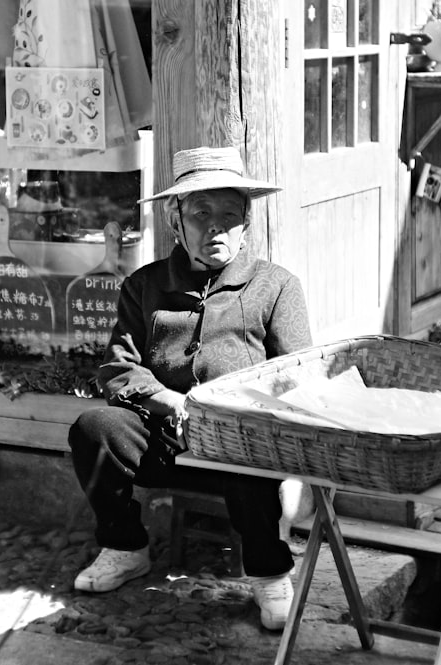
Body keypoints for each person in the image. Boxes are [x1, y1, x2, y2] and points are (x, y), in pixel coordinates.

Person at [67, 146, 313, 631]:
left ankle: (268, 570)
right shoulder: (145, 286)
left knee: (247, 450)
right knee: (94, 428)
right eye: (201, 213)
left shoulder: (276, 287)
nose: (216, 227)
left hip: (240, 444)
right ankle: (125, 546)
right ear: (176, 220)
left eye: (229, 214)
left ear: (246, 221)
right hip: (165, 437)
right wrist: (172, 402)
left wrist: (235, 411)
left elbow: (298, 374)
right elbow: (118, 370)